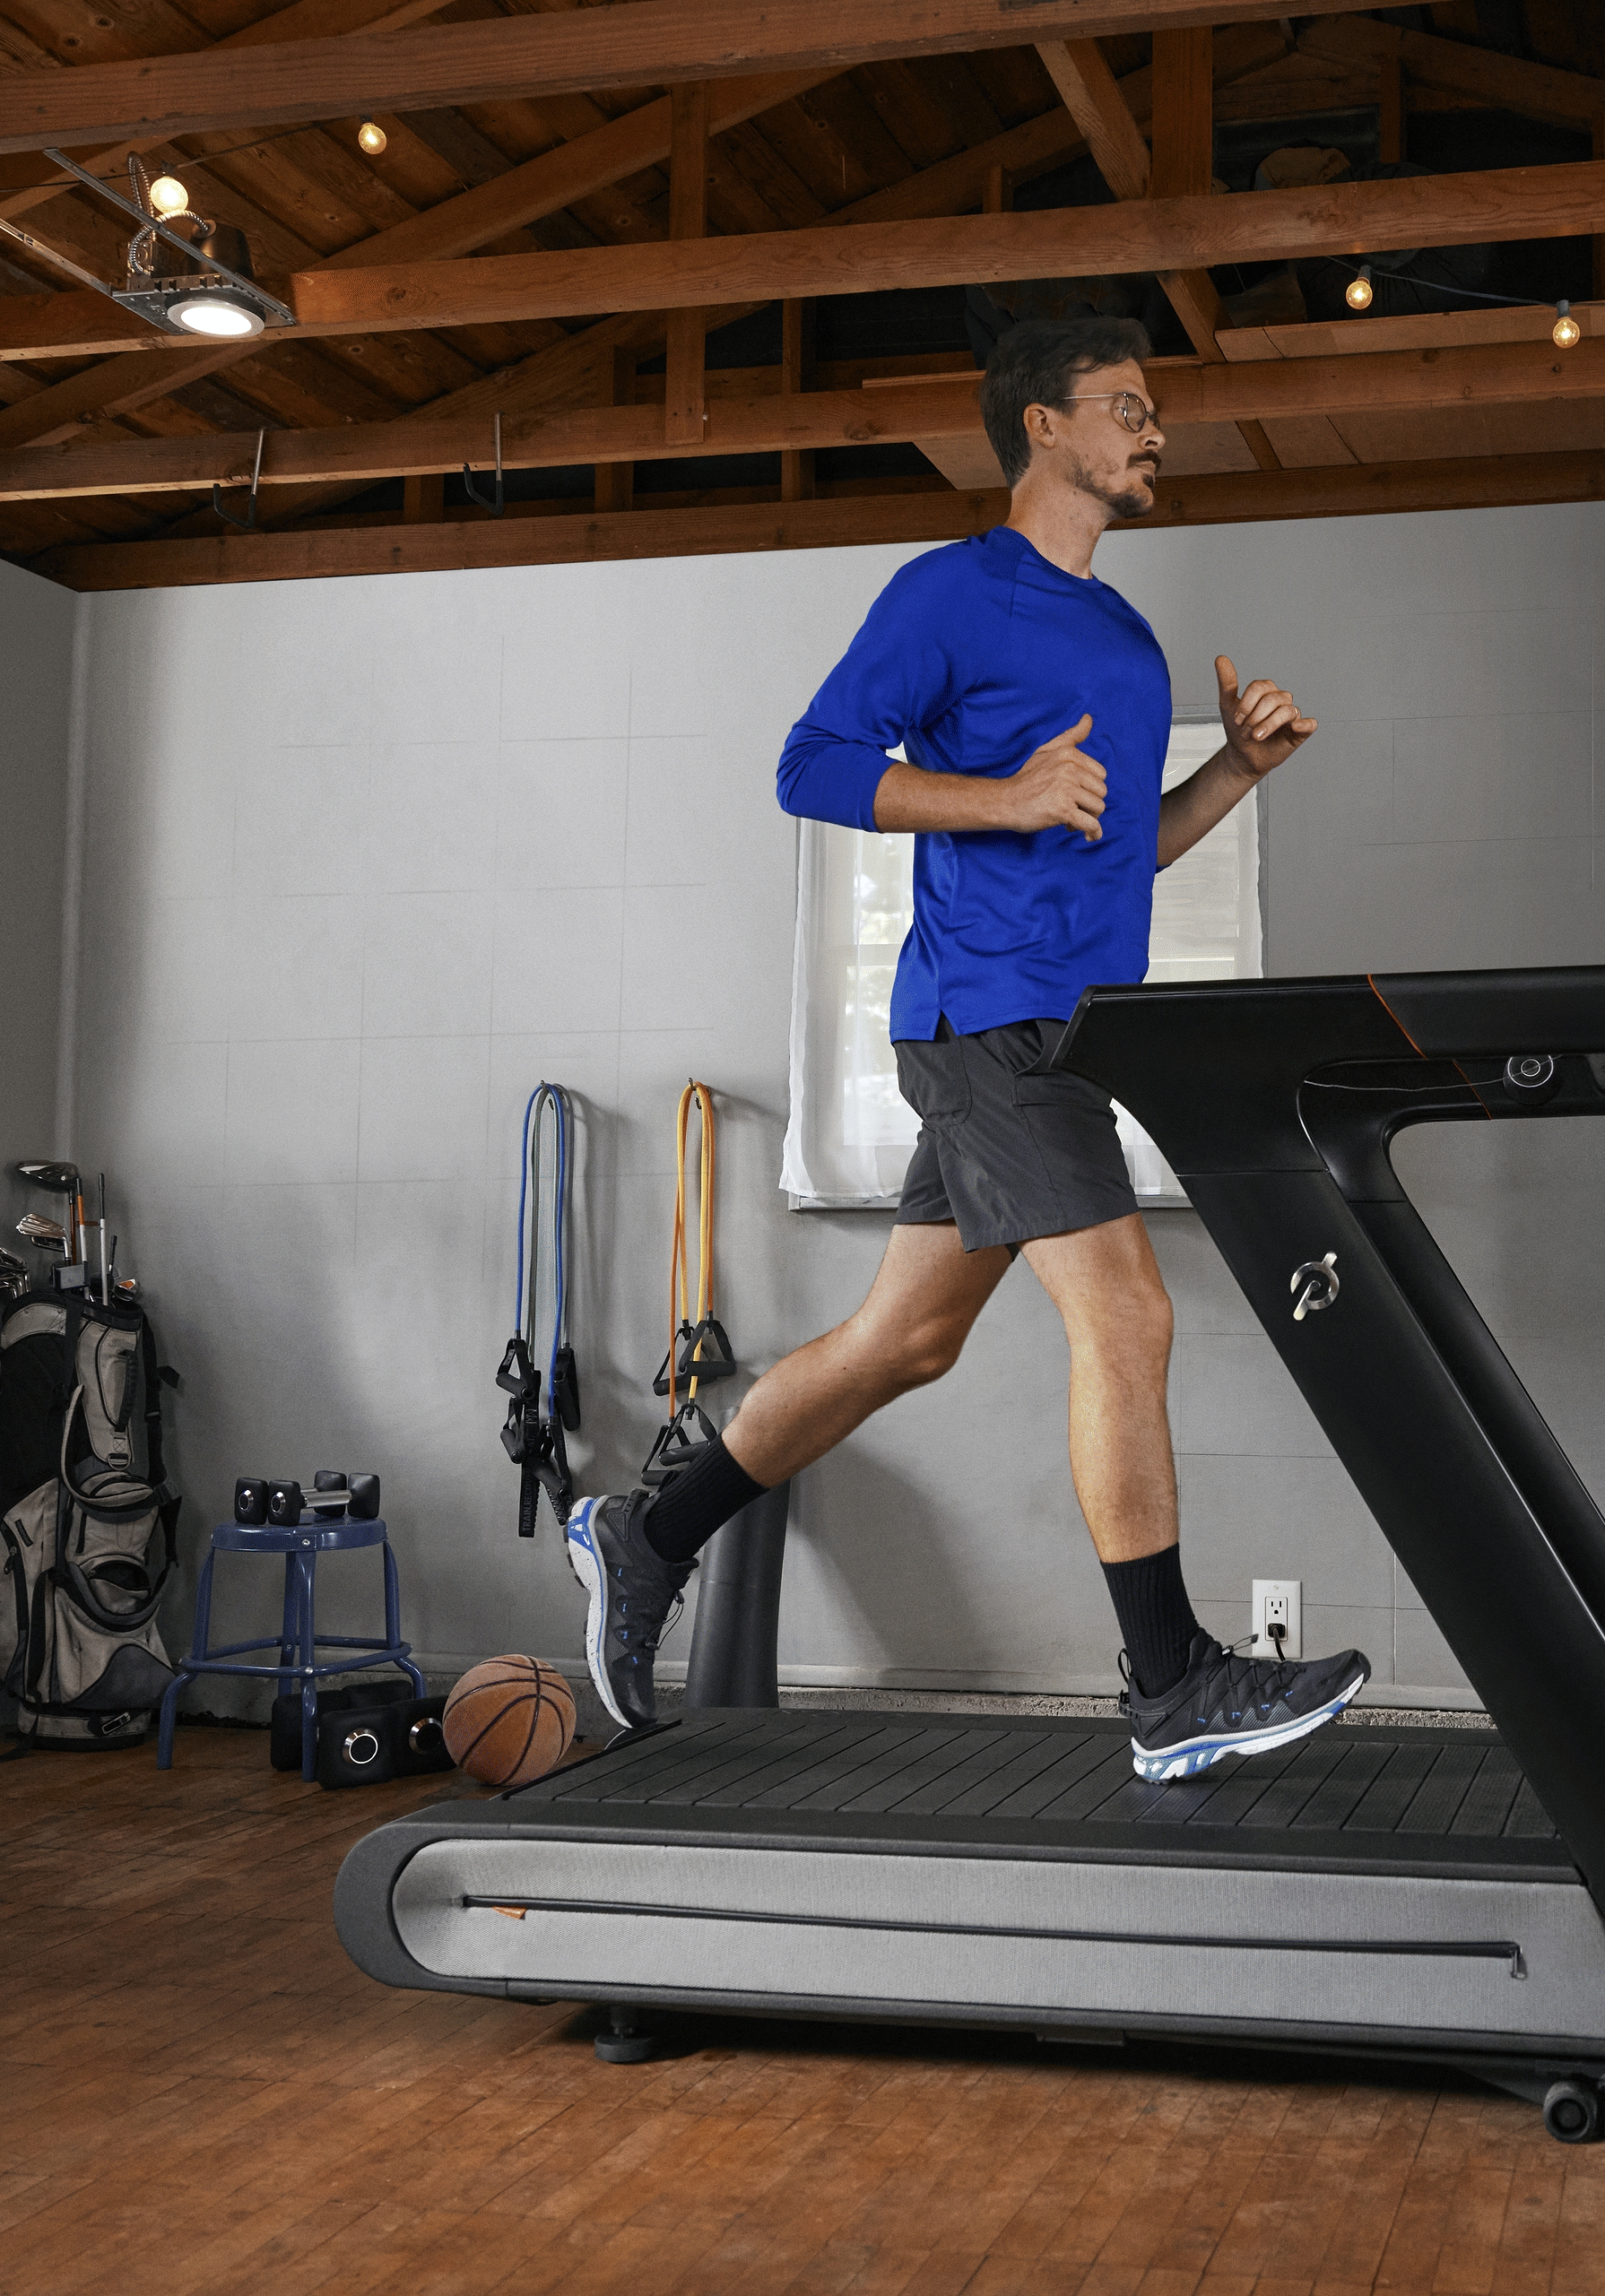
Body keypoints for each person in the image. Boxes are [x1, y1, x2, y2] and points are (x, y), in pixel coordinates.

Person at [568, 316, 1371, 1779]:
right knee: (1128, 1318)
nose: (1153, 432)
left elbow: (1135, 850)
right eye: (1127, 408)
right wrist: (997, 799)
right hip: (983, 1019)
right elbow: (809, 766)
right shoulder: (949, 594)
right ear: (1044, 428)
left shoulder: (1126, 645)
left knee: (907, 1341)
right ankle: (1170, 1681)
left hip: (1075, 1033)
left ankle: (645, 1528)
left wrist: (1238, 771)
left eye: (1154, 411)